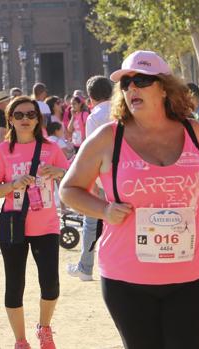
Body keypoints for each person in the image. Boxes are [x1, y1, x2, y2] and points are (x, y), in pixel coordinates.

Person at [59, 50, 199, 349]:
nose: (132, 88)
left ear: (163, 87)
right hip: (128, 277)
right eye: (126, 83)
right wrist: (105, 210)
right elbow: (69, 189)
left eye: (142, 80)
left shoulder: (194, 131)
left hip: (191, 272)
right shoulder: (109, 138)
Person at [0, 96, 68, 349]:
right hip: (14, 225)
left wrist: (59, 173)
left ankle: (44, 328)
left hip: (46, 226)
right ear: (10, 119)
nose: (25, 119)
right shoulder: (2, 150)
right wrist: (12, 184)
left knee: (50, 283)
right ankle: (20, 340)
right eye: (19, 115)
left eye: (30, 115)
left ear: (38, 118)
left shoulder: (51, 149)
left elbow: (69, 179)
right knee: (14, 284)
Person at [65, 75, 113, 281]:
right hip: (126, 174)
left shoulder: (95, 117)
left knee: (91, 219)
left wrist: (91, 181)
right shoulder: (124, 110)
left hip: (103, 175)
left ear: (90, 97)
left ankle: (85, 266)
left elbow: (93, 151)